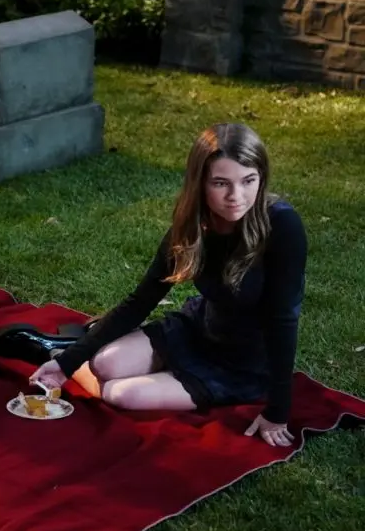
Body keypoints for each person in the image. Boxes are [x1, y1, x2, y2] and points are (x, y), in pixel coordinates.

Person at [30, 122, 307, 447]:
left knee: (120, 393)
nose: (236, 197)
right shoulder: (193, 226)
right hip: (198, 330)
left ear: (262, 178)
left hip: (243, 364)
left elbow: (283, 319)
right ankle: (71, 351)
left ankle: (69, 347)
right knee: (105, 364)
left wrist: (278, 410)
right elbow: (141, 300)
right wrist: (67, 364)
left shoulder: (282, 226)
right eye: (221, 183)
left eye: (249, 181)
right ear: (200, 183)